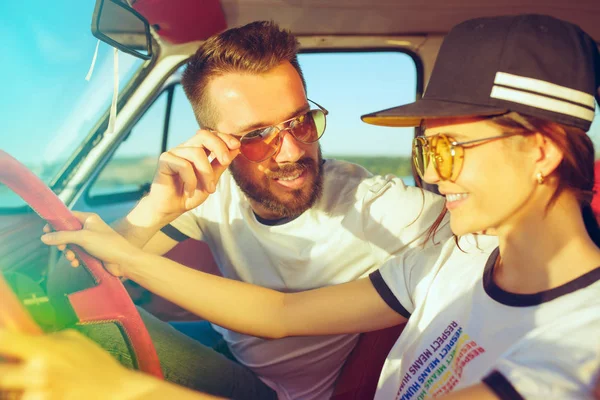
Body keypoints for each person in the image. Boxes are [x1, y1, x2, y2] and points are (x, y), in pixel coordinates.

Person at [6, 12, 600, 399]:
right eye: (424, 149)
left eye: (445, 150)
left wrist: (120, 389)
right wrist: (142, 226)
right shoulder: (451, 262)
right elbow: (280, 316)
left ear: (541, 153)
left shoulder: (579, 346)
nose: (432, 178)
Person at [43, 20, 448, 400]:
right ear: (214, 143)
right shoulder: (212, 192)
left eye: (301, 122)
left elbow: (494, 237)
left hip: (273, 391)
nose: (291, 152)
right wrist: (155, 209)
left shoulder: (381, 205)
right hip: (230, 345)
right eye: (256, 136)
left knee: (86, 337)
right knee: (77, 318)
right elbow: (69, 287)